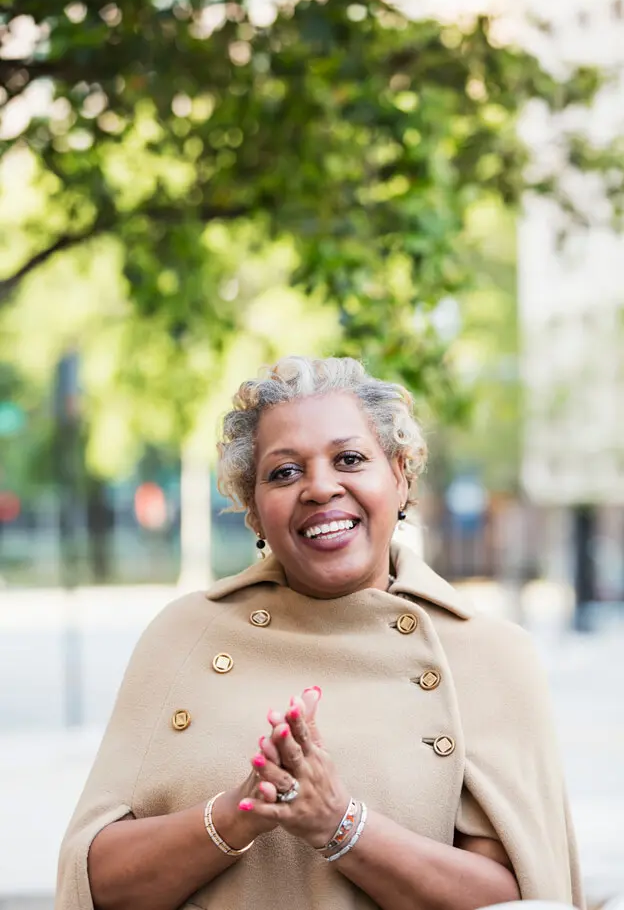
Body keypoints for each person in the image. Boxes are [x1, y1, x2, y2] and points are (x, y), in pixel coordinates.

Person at [56, 356, 584, 910]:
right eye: (284, 472)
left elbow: (517, 896)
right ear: (254, 511)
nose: (320, 487)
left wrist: (340, 825)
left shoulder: (491, 655)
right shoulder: (184, 635)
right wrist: (239, 813)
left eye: (350, 459)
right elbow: (97, 883)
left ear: (400, 476)